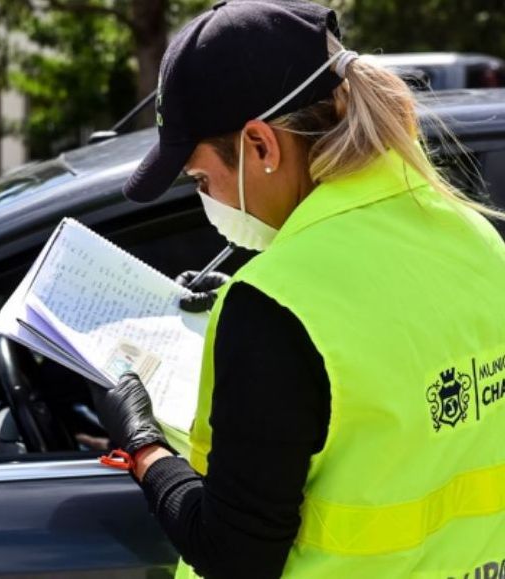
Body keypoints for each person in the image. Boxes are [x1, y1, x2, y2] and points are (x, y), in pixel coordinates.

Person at [94, 1, 505, 578]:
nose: (206, 197)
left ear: (261, 145)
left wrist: (142, 447)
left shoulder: (276, 304)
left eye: (200, 178)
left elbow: (235, 554)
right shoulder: (476, 238)